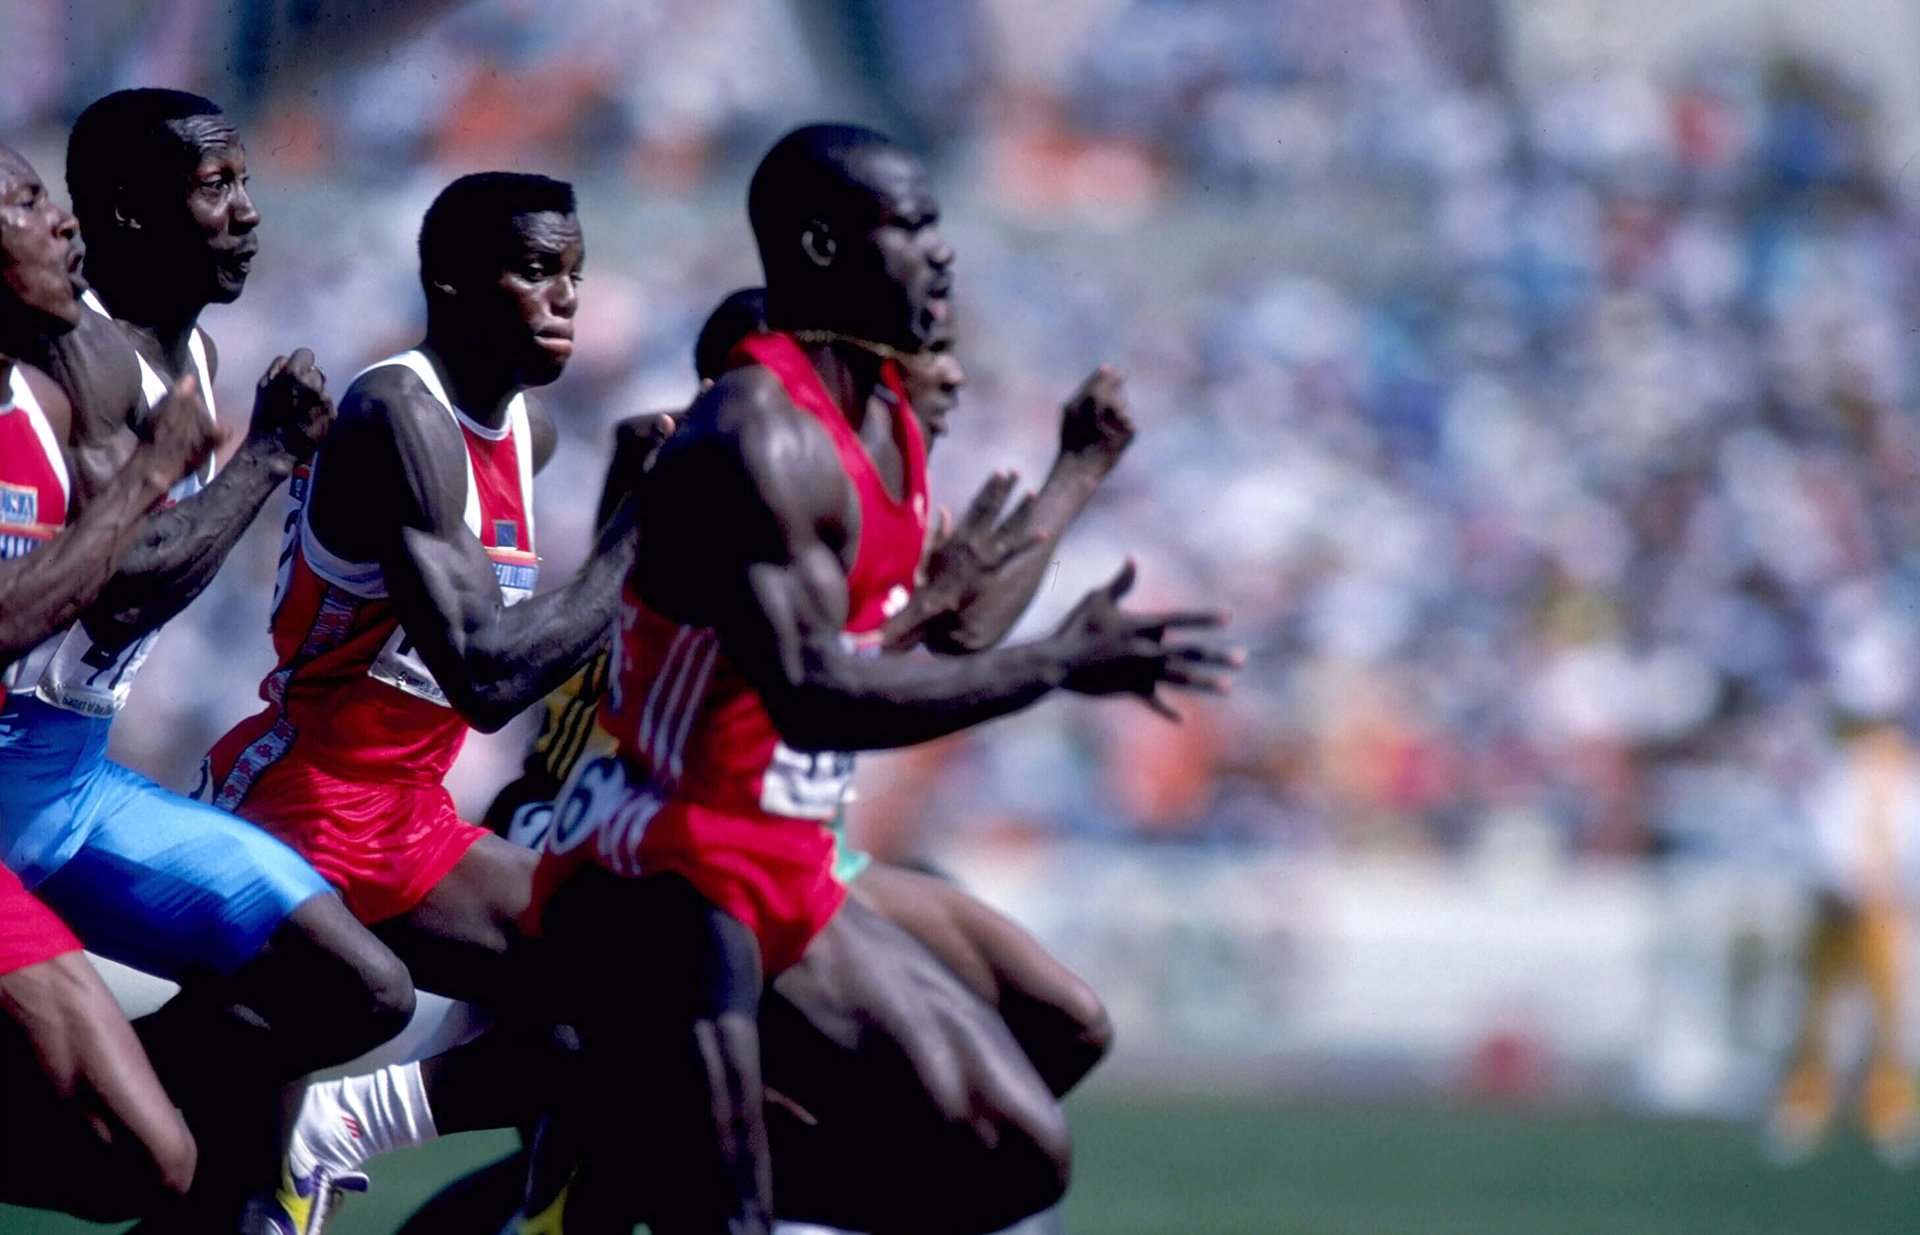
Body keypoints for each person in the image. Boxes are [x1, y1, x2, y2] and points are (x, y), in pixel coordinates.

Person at [527, 122, 1236, 1235]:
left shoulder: (889, 415)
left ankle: (626, 1174)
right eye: (912, 228)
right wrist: (1056, 664)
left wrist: (1072, 481)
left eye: (937, 224)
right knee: (738, 1210)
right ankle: (631, 1177)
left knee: (1015, 1157)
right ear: (818, 246)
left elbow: (938, 629)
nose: (943, 254)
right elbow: (814, 692)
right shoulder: (757, 436)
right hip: (670, 864)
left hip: (786, 856)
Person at [201, 170, 648, 1231]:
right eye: (538, 269)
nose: (566, 297)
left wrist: (636, 498)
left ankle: (343, 1124)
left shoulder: (529, 440)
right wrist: (643, 531)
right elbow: (486, 675)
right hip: (297, 815)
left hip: (411, 819)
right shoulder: (394, 408)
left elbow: (554, 640)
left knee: (634, 1000)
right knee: (218, 1204)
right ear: (450, 280)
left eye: (576, 273)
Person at [10, 90, 419, 1233]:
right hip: (8, 773)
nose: (246, 214)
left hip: (75, 778)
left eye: (245, 184)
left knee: (361, 989)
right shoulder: (74, 355)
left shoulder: (186, 346)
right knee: (163, 1162)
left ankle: (122, 1124)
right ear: (132, 213)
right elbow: (124, 577)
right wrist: (270, 456)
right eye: (215, 189)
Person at [0, 139, 222, 1223]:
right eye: (28, 203)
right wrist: (151, 473)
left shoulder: (32, 401)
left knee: (150, 1159)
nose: (62, 221)